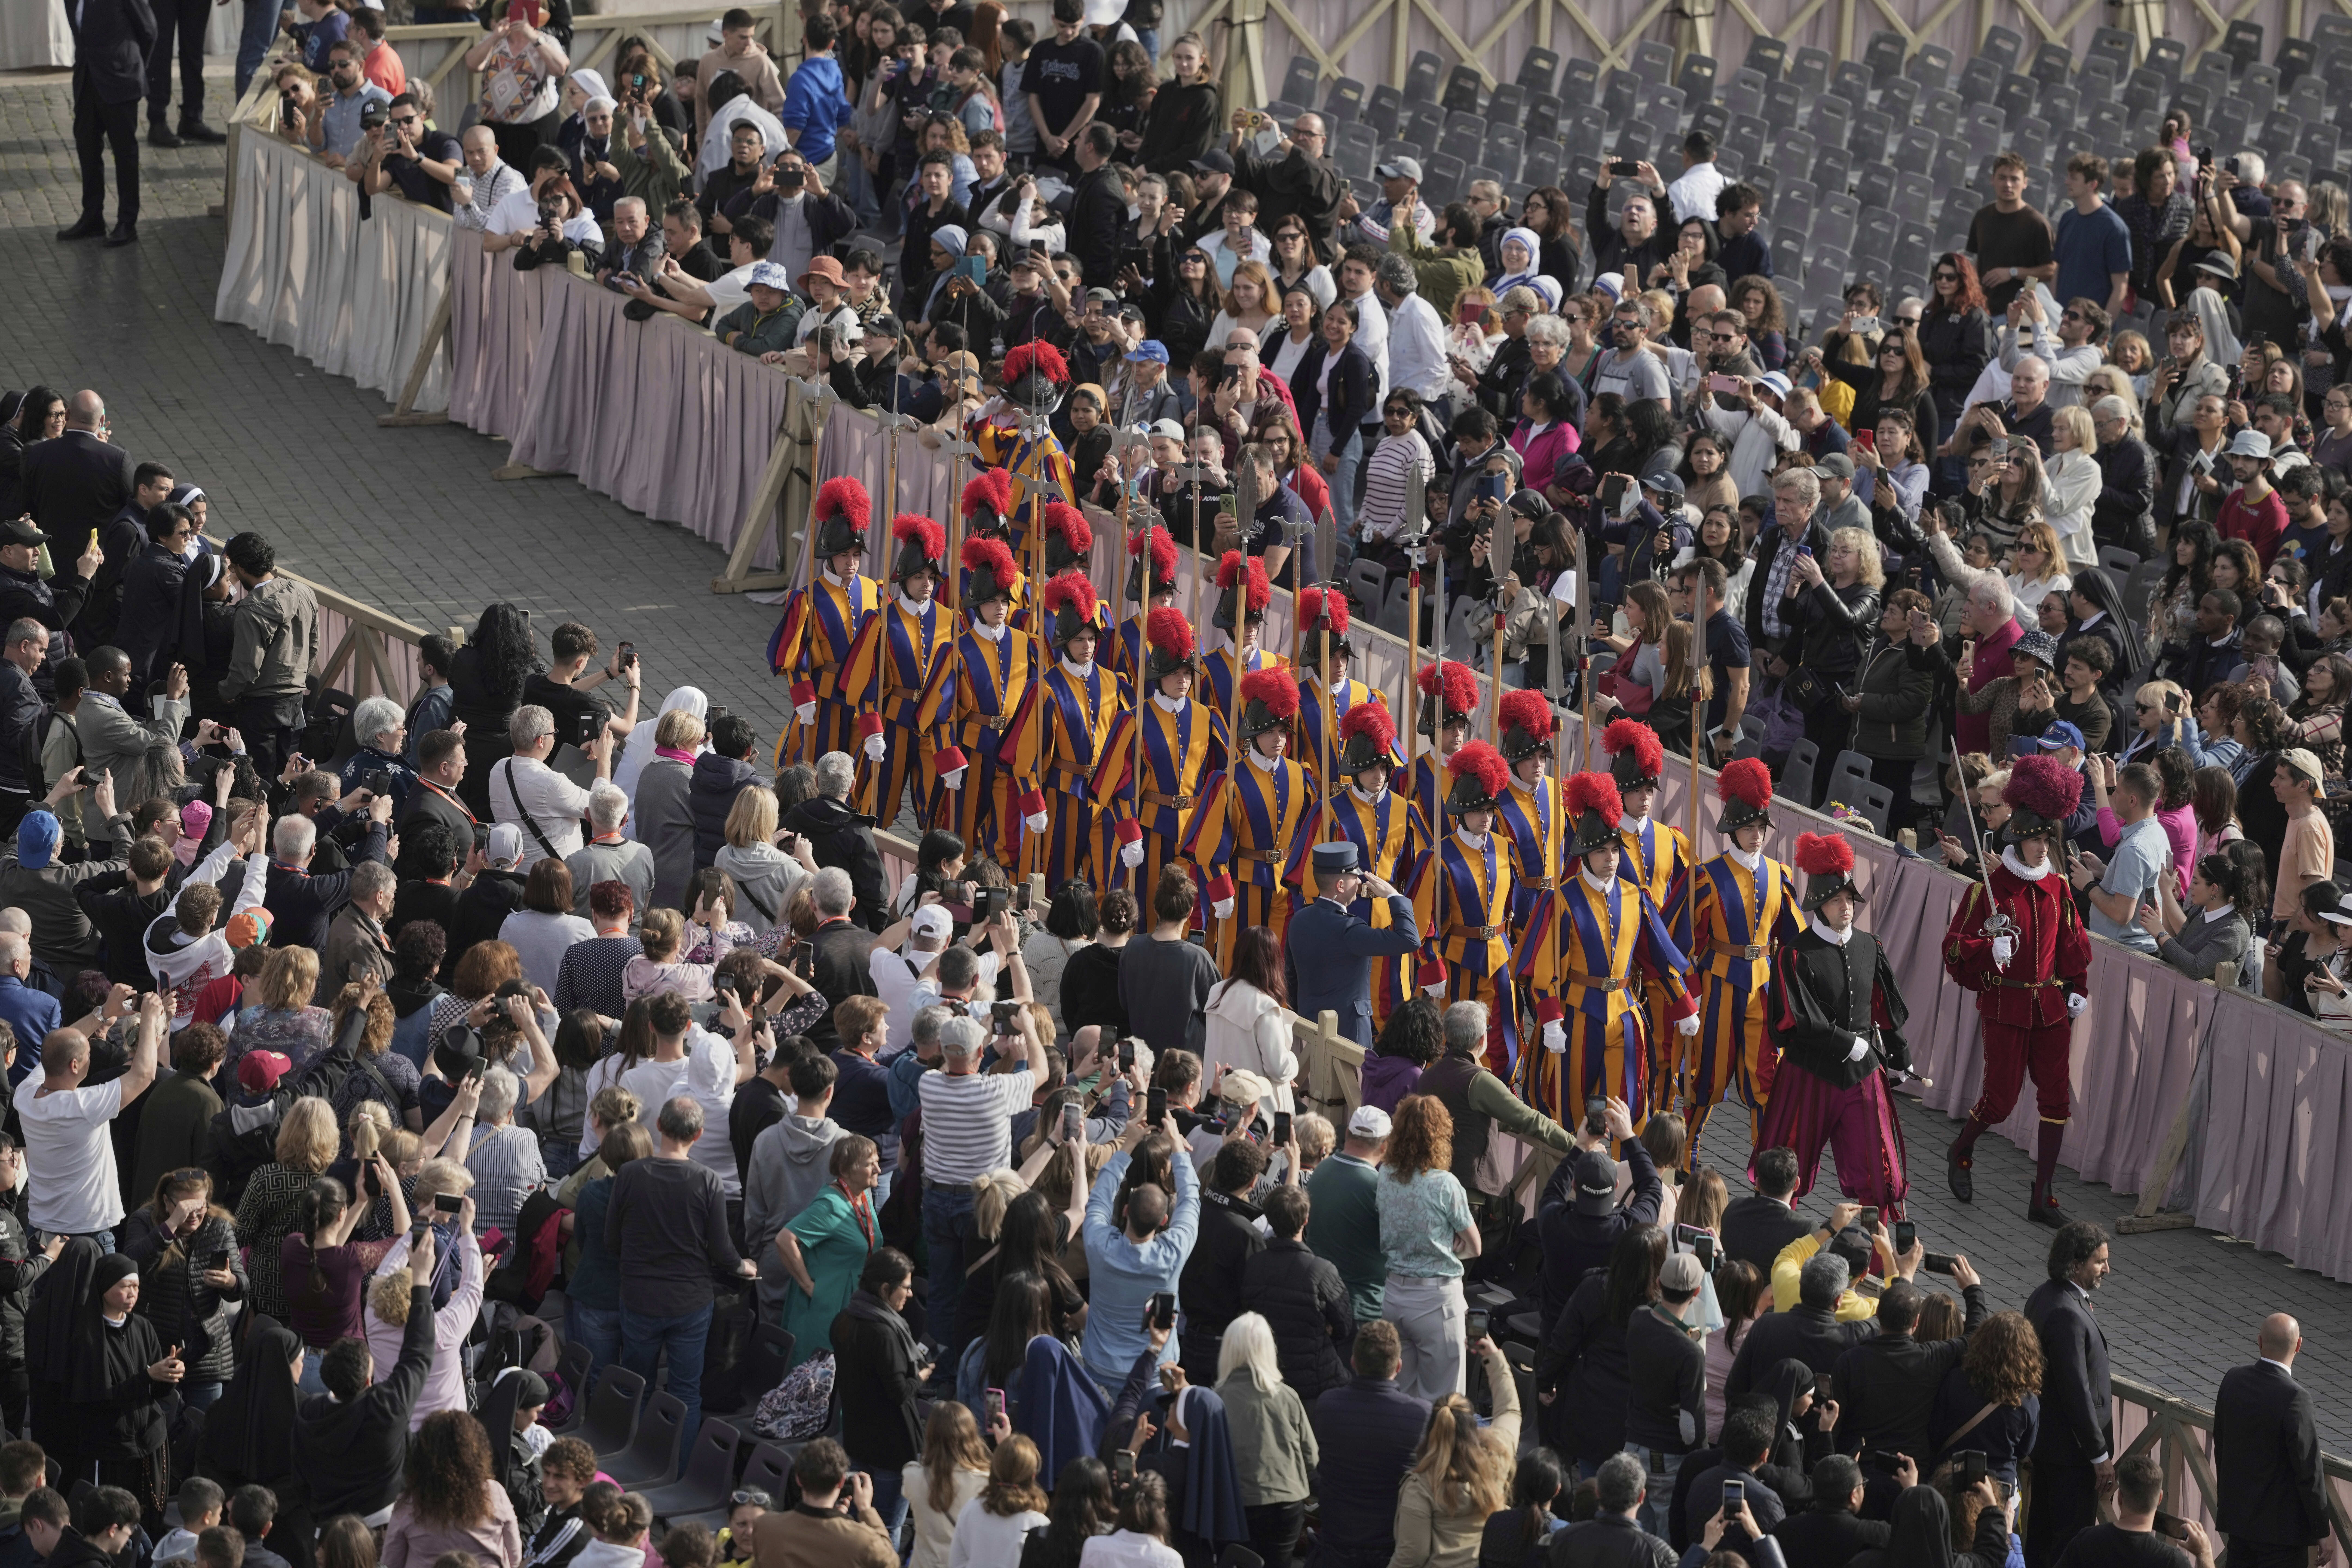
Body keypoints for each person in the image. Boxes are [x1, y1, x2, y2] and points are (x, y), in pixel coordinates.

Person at [1941, 755, 2093, 1226]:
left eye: (2047, 839)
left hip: (2049, 1005)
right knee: (2001, 1101)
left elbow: (2073, 947)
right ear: (2018, 840)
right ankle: (1961, 1150)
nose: (2042, 848)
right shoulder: (1988, 891)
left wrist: (2078, 990)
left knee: (2055, 1101)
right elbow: (1953, 952)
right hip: (2005, 1004)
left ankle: (2042, 1196)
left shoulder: (2060, 887)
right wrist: (1989, 948)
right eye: (2034, 840)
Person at [1751, 834, 1913, 1214]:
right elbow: (1797, 1018)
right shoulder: (1796, 954)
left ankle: (1880, 1263)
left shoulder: (1869, 946)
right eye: (1837, 901)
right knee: (1786, 1164)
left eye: (1849, 900)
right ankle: (1771, 1243)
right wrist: (1846, 1043)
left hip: (1863, 1073)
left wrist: (1899, 1052)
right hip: (1809, 1073)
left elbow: (1883, 1004)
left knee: (1879, 1167)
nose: (1846, 908)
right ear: (1819, 907)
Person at [605, 1097, 756, 1449]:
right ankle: (679, 1466)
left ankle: (636, 1458)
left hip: (640, 1299)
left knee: (637, 1385)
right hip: (691, 1303)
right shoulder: (707, 1181)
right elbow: (722, 1250)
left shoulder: (629, 1175)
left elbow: (612, 1240)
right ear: (699, 1134)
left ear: (658, 1125)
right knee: (686, 1391)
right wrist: (742, 1266)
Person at [16, 991, 163, 1249]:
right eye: (87, 1056)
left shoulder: (26, 1095)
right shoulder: (84, 1107)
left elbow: (61, 1044)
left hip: (40, 1232)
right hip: (88, 1236)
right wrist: (150, 1019)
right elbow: (144, 1075)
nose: (91, 1059)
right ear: (75, 1066)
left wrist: (104, 1012)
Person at [1386, 1334, 1519, 1568]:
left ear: (1431, 1431)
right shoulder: (1496, 1459)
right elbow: (1509, 1411)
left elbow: (1412, 1556)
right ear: (1474, 1427)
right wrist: (1494, 1357)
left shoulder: (1421, 1487)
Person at [2024, 1222, 2113, 1568]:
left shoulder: (2044, 1295)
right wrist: (2098, 1456)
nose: (2107, 1269)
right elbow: (2075, 1390)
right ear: (2075, 1265)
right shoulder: (2067, 1313)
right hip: (2070, 1457)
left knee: (2043, 1536)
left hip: (2049, 1447)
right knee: (2067, 1544)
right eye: (2099, 1262)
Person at [2211, 1312, 2328, 1568]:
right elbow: (2308, 1470)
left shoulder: (2233, 1379)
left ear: (2259, 1341)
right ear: (2299, 1346)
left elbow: (2220, 1445)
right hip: (2281, 1537)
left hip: (2239, 1525)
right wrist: (2322, 1530)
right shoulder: (2296, 1397)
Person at [836, 1248, 929, 1549]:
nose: (911, 1294)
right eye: (906, 1287)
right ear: (886, 1289)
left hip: (856, 1440)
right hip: (892, 1449)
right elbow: (899, 1392)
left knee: (853, 1521)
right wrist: (922, 1378)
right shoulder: (884, 1334)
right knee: (888, 1528)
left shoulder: (844, 1320)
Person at [62, 0, 155, 246]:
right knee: (87, 147)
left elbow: (149, 30)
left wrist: (133, 66)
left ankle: (127, 222)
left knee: (124, 152)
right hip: (87, 79)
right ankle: (92, 217)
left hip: (120, 78)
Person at [380, 1409, 522, 1568]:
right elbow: (515, 1556)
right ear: (477, 1452)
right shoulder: (495, 1493)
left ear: (422, 1455)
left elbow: (391, 1562)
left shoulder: (409, 1503)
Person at [2047, 1456, 2211, 1568]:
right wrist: (2205, 1554)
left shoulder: (2086, 1540)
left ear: (2120, 1497)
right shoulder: (2172, 1561)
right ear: (2159, 1498)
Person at [755, 1439, 894, 1568]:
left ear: (798, 1479)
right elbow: (891, 1562)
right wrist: (865, 1509)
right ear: (841, 1482)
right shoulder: (862, 1540)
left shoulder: (765, 1527)